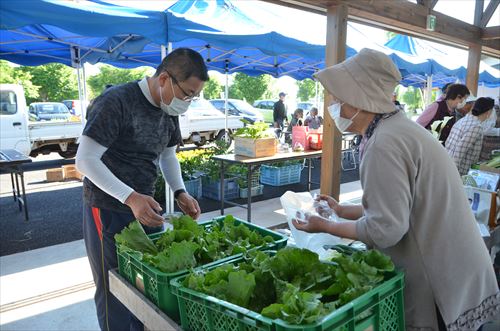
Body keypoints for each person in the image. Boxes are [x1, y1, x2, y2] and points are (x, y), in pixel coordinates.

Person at [292, 48, 499, 330]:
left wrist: (325, 226)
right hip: (455, 265)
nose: (335, 105)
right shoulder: (397, 129)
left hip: (438, 276)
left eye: (339, 98)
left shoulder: (384, 143)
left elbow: (386, 228)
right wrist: (342, 210)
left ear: (359, 98)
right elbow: (398, 205)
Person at [75, 48, 207, 331]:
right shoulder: (116, 101)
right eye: (187, 94)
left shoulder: (168, 108)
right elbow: (85, 160)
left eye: (194, 97)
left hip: (147, 207)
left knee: (146, 283)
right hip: (108, 207)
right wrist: (130, 197)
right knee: (114, 287)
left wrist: (180, 191)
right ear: (164, 79)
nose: (188, 102)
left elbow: (168, 155)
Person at [446, 97, 495, 176]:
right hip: (459, 172)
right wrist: (452, 175)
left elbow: (448, 144)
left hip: (449, 166)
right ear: (489, 112)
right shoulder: (476, 127)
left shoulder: (463, 120)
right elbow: (459, 152)